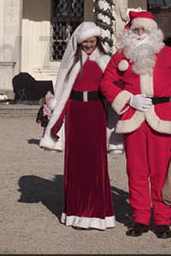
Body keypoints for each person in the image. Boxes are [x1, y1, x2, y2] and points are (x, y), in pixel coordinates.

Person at [100, 11, 171, 239]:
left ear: (153, 32)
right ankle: (140, 217)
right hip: (134, 116)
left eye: (143, 29)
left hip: (162, 117)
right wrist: (127, 98)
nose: (139, 33)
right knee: (136, 171)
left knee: (161, 172)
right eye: (136, 30)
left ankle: (163, 219)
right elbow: (106, 82)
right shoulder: (121, 56)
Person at [39, 21, 119, 230]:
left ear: (98, 41)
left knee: (96, 164)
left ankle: (98, 214)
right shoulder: (71, 63)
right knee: (75, 164)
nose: (89, 45)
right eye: (85, 42)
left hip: (96, 113)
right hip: (75, 114)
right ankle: (75, 213)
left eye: (92, 41)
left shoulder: (105, 61)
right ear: (80, 42)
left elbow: (113, 90)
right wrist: (55, 119)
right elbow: (63, 93)